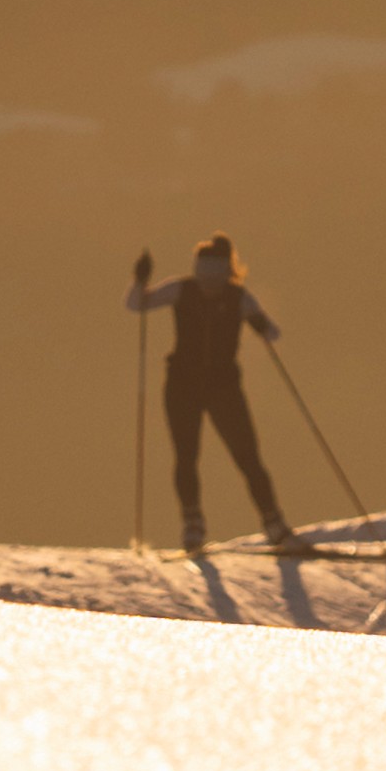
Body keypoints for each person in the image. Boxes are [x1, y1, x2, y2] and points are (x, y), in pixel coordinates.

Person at [128, 234, 296, 550]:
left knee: (247, 455)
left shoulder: (238, 298)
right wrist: (139, 281)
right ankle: (195, 526)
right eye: (203, 275)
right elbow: (137, 304)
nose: (207, 284)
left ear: (223, 274)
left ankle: (274, 525)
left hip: (222, 388)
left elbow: (272, 332)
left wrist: (260, 323)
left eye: (213, 277)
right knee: (187, 454)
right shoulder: (183, 289)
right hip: (183, 386)